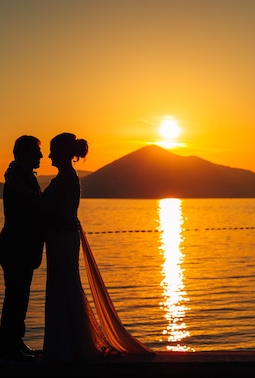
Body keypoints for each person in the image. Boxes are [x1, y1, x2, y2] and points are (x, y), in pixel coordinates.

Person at [41, 132, 155, 362]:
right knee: (63, 285)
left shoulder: (66, 178)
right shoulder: (66, 176)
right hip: (60, 238)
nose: (50, 155)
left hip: (62, 237)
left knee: (65, 286)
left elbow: (50, 209)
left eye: (53, 150)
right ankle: (67, 342)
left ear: (64, 153)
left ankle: (70, 344)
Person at [0, 135, 46, 362]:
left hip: (21, 248)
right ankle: (10, 348)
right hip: (16, 248)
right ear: (25, 153)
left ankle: (16, 343)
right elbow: (35, 204)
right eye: (37, 151)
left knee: (19, 297)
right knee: (15, 297)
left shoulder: (19, 175)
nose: (41, 156)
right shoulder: (16, 178)